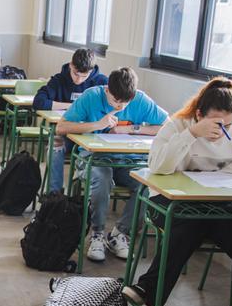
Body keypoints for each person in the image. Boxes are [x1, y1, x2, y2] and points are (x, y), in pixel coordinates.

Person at [121, 77, 232, 306]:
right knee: (192, 222)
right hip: (167, 201)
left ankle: (147, 289)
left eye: (228, 125)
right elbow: (158, 165)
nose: (222, 131)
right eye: (216, 123)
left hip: (213, 204)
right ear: (199, 115)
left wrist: (228, 169)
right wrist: (191, 134)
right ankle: (149, 289)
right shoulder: (177, 125)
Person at [57, 67, 167, 262]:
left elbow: (168, 126)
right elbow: (62, 127)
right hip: (95, 158)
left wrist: (134, 129)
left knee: (146, 184)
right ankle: (97, 234)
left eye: (126, 102)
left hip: (128, 160)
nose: (121, 106)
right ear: (107, 90)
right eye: (116, 101)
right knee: (102, 178)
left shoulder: (140, 100)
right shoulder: (91, 96)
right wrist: (97, 125)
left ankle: (119, 234)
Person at [37, 49, 109, 193]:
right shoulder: (59, 80)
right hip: (67, 133)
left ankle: (83, 197)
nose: (79, 80)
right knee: (55, 144)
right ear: (71, 65)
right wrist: (73, 107)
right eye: (76, 73)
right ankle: (54, 195)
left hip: (93, 135)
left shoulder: (102, 83)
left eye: (84, 75)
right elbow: (39, 102)